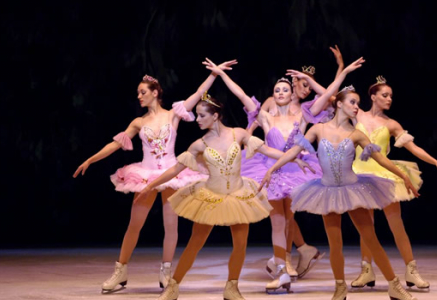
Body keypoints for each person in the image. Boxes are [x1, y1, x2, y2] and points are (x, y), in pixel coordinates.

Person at [137, 59, 313, 300]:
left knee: (240, 245)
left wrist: (294, 159)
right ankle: (174, 285)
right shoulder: (199, 144)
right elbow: (175, 169)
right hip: (210, 196)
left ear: (216, 115)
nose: (197, 120)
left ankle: (232, 286)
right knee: (195, 243)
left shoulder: (238, 134)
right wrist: (151, 185)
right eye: (197, 115)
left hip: (238, 196)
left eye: (201, 116)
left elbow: (269, 151)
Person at [261, 58, 421, 300]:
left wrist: (403, 177)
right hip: (326, 191)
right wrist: (272, 170)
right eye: (353, 103)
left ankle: (394, 285)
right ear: (340, 105)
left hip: (352, 188)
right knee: (335, 244)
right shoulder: (318, 129)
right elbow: (292, 152)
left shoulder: (356, 134)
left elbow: (381, 159)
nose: (357, 107)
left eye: (358, 103)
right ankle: (340, 287)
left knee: (371, 239)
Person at [72, 71, 221, 293]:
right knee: (134, 225)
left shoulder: (173, 115)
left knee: (171, 226)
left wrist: (214, 73)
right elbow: (114, 145)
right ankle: (120, 272)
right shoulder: (139, 122)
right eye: (138, 93)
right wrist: (90, 160)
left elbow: (199, 93)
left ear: (155, 93)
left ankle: (166, 271)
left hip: (172, 174)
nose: (139, 96)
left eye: (143, 92)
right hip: (145, 175)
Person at [209, 57, 335, 292]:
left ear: (291, 94)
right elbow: (242, 96)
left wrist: (308, 79)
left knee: (289, 221)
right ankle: (281, 272)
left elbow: (328, 97)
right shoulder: (266, 118)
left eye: (285, 89)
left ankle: (285, 268)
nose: (280, 93)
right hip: (272, 173)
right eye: (277, 90)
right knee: (278, 223)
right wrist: (222, 75)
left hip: (298, 172)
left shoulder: (303, 115)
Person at [244, 45, 344, 279]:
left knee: (289, 214)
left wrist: (340, 68)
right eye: (304, 83)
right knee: (281, 214)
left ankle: (290, 256)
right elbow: (258, 121)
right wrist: (247, 140)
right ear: (293, 81)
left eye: (310, 85)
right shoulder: (273, 101)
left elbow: (331, 96)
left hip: (298, 161)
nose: (307, 89)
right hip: (271, 160)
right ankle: (292, 255)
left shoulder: (306, 110)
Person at [350, 75, 437, 290]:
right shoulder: (355, 114)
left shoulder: (391, 123)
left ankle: (411, 270)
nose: (389, 99)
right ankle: (366, 271)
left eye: (391, 96)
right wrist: (341, 69)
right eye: (385, 95)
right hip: (359, 175)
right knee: (366, 227)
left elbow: (413, 148)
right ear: (373, 97)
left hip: (385, 175)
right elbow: (330, 95)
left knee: (396, 225)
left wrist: (435, 162)